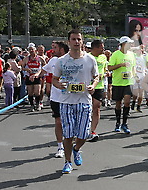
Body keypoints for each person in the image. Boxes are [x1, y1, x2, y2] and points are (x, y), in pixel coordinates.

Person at [52, 29, 99, 174]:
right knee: (68, 134)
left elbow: (96, 76)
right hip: (66, 101)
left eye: (79, 39)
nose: (76, 42)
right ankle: (67, 162)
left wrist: (93, 85)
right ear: (68, 42)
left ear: (82, 41)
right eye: (73, 39)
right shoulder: (62, 61)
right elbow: (54, 79)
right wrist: (58, 85)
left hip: (84, 101)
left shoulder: (90, 59)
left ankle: (77, 149)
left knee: (84, 134)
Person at [41, 41, 69, 158]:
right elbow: (44, 70)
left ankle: (71, 145)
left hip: (69, 97)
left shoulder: (71, 60)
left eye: (56, 48)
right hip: (56, 97)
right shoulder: (53, 60)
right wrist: (36, 75)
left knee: (69, 123)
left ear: (62, 49)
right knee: (58, 122)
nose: (53, 50)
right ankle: (60, 146)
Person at [108, 36, 136, 134]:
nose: (131, 45)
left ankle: (124, 123)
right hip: (117, 83)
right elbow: (109, 67)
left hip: (128, 82)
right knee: (118, 103)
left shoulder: (132, 55)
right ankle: (117, 122)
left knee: (127, 102)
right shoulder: (116, 54)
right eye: (129, 43)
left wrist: (135, 76)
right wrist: (120, 65)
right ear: (123, 44)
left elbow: (133, 67)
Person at [88, 39, 108, 142]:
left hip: (99, 86)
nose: (103, 49)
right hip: (88, 86)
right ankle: (84, 128)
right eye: (101, 47)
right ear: (95, 48)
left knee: (97, 107)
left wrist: (105, 74)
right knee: (87, 108)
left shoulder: (103, 57)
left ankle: (92, 131)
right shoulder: (87, 57)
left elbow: (105, 69)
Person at [20, 43, 46, 111]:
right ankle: (32, 105)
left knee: (37, 92)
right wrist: (26, 69)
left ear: (35, 50)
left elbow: (45, 67)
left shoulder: (40, 58)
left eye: (32, 49)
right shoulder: (26, 59)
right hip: (29, 77)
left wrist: (40, 73)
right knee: (30, 92)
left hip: (37, 77)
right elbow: (22, 68)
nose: (31, 51)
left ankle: (37, 104)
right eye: (29, 50)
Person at [131, 46, 148, 113]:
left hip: (142, 77)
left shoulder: (144, 58)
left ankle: (138, 106)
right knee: (135, 94)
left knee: (141, 94)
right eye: (138, 50)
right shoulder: (133, 57)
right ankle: (133, 102)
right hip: (135, 77)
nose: (140, 51)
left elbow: (146, 67)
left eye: (141, 50)